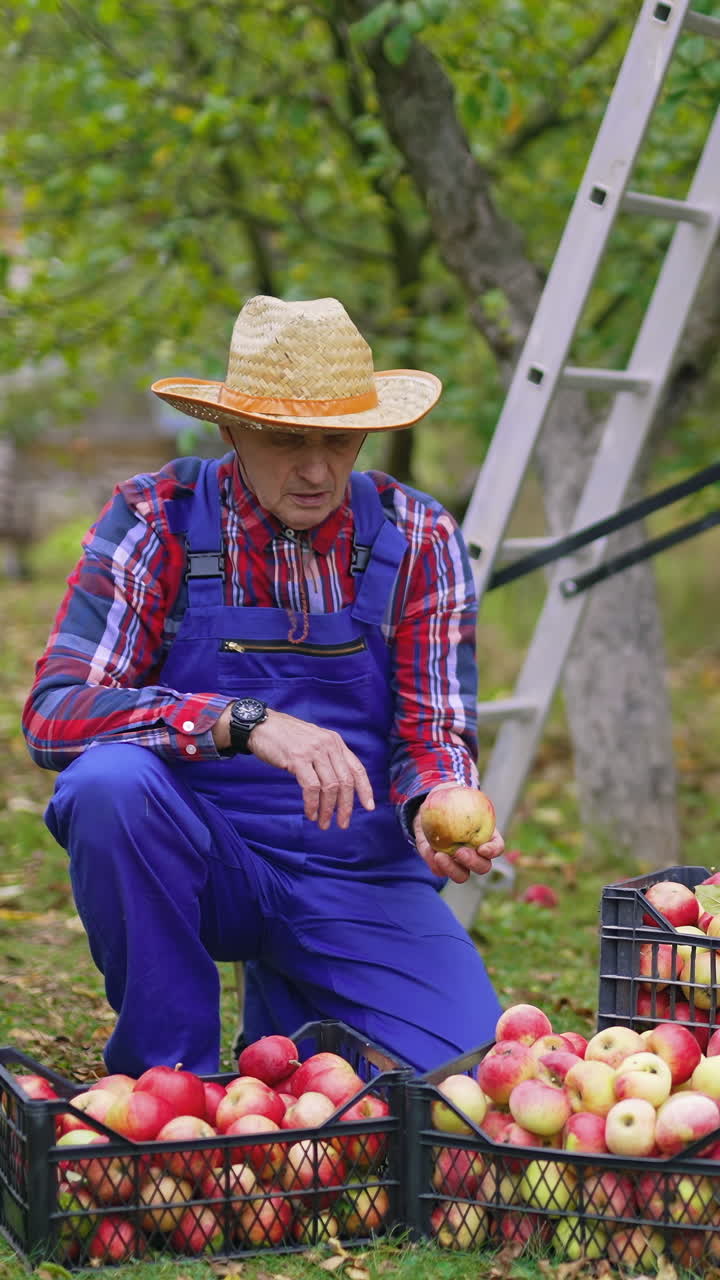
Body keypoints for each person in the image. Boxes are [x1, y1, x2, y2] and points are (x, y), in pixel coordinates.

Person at [22, 293, 505, 1077]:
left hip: (355, 874)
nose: (317, 469)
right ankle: (169, 1073)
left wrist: (435, 805)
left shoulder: (419, 535)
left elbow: (433, 733)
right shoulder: (157, 519)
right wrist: (241, 719)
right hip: (202, 860)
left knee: (469, 1082)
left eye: (339, 439)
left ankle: (290, 1006)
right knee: (109, 785)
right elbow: (56, 713)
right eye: (287, 440)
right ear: (230, 429)